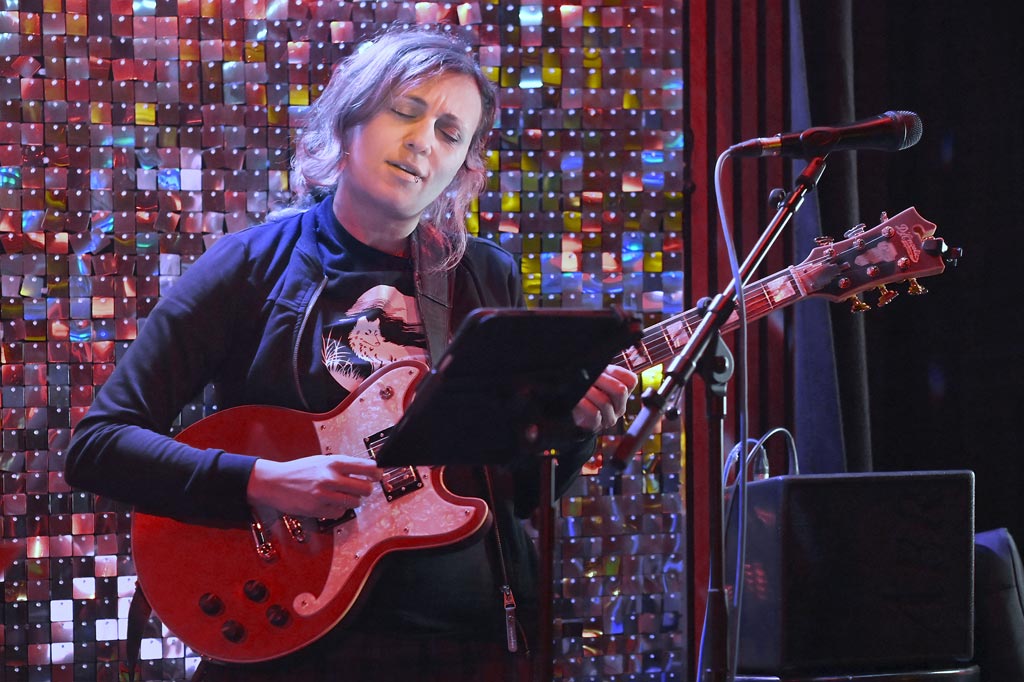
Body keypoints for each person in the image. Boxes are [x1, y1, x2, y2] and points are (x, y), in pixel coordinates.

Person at [63, 24, 637, 682]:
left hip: (464, 645)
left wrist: (574, 428)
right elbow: (98, 446)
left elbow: (512, 493)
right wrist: (263, 481)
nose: (423, 142)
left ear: (462, 166)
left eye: (450, 133)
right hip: (292, 647)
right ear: (350, 117)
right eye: (406, 111)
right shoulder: (249, 266)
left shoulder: (484, 277)